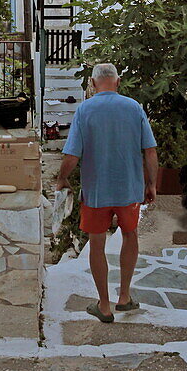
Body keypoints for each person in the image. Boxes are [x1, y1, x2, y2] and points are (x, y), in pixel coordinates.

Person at [55, 62, 158, 323]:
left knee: (97, 243)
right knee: (130, 235)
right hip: (129, 191)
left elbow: (72, 154)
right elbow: (150, 151)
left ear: (92, 83)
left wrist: (62, 178)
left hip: (96, 192)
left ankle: (104, 305)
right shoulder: (134, 108)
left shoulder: (85, 110)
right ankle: (124, 297)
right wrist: (151, 184)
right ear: (118, 81)